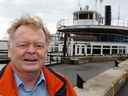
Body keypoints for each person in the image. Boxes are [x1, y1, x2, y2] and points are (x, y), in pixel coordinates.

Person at [0, 16, 77, 96]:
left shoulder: (64, 86)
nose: (31, 51)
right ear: (9, 50)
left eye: (39, 45)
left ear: (46, 51)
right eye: (23, 45)